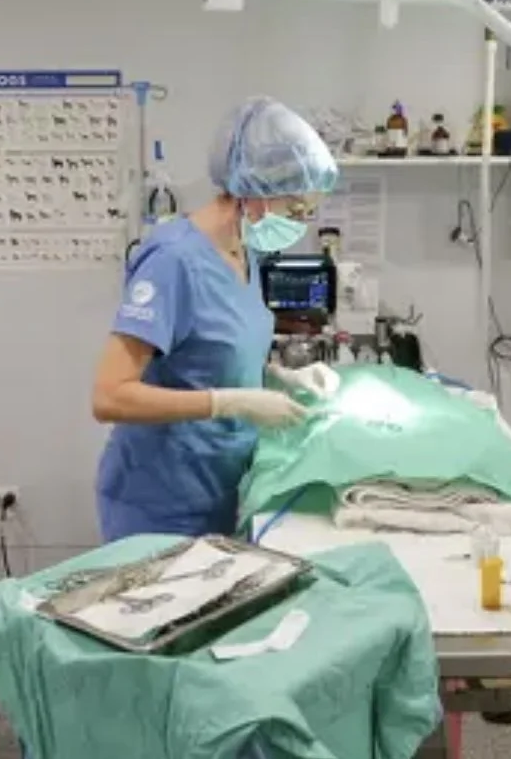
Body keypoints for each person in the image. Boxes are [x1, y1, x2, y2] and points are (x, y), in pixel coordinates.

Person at [91, 96, 341, 543]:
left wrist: (279, 377)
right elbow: (110, 397)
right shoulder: (173, 261)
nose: (301, 222)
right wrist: (230, 402)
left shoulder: (247, 252)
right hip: (162, 501)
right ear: (255, 196)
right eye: (297, 209)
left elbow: (210, 350)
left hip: (220, 485)